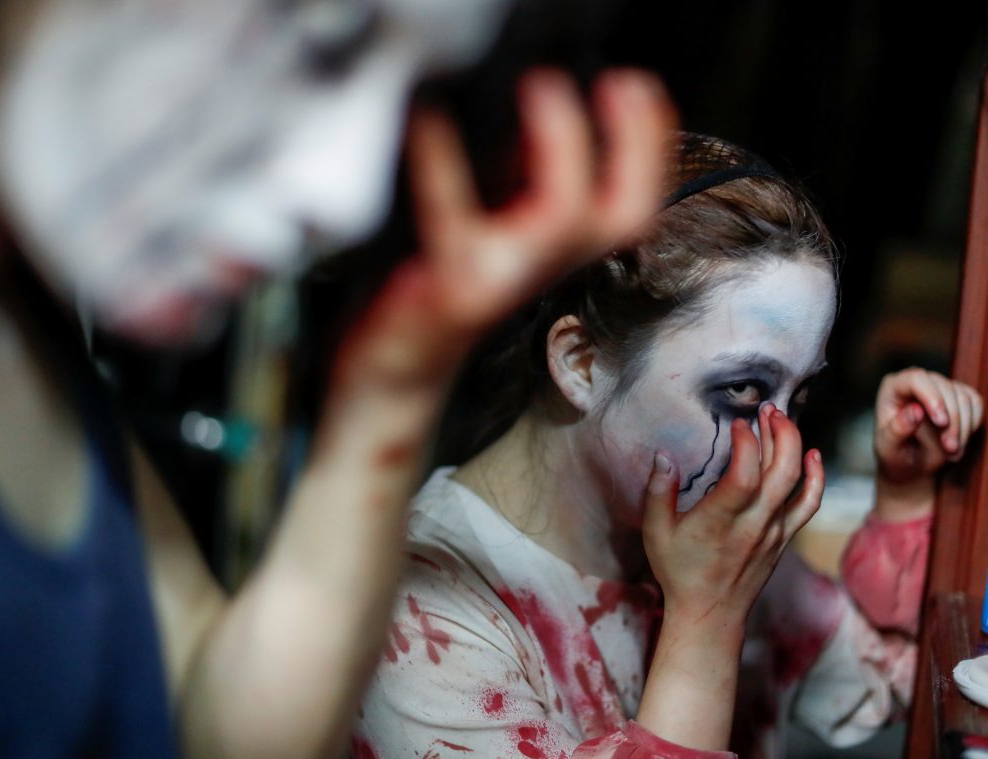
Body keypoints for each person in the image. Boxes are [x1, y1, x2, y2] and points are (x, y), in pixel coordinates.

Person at [0, 0, 675, 756]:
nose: (349, 194)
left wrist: (392, 390)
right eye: (323, 34)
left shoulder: (14, 320)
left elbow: (220, 730)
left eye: (411, 95)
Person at [352, 133, 984, 758]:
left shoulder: (711, 541)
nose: (779, 448)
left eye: (800, 397)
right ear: (582, 363)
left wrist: (902, 496)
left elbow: (907, 681)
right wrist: (705, 622)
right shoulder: (419, 615)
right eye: (740, 388)